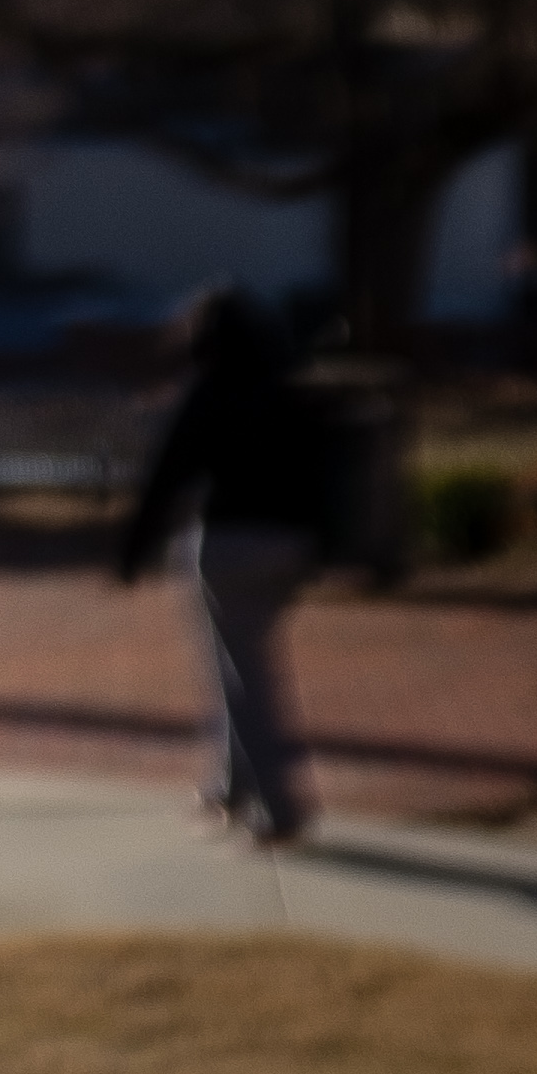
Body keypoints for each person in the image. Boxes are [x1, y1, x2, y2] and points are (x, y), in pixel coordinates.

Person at [117, 286, 352, 845]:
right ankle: (233, 785)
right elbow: (326, 478)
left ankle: (281, 808)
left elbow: (168, 475)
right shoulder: (287, 392)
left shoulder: (211, 393)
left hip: (230, 545)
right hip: (290, 547)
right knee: (238, 669)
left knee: (246, 681)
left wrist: (133, 552)